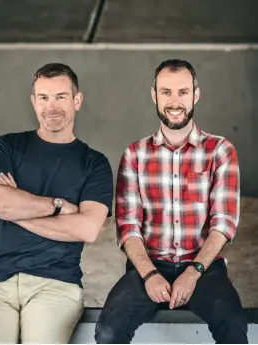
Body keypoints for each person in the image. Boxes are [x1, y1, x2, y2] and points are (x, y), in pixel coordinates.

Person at [95, 59, 248, 344]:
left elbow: (224, 223)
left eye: (182, 92)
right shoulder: (135, 154)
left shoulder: (220, 150)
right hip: (148, 268)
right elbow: (128, 226)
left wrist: (194, 272)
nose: (174, 101)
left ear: (195, 95)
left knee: (233, 325)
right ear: (154, 95)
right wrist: (149, 273)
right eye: (166, 92)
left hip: (203, 268)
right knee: (107, 331)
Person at [0, 63, 113, 344]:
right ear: (33, 102)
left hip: (55, 284)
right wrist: (60, 206)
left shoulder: (94, 163)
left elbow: (87, 228)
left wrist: (14, 210)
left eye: (61, 97)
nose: (52, 106)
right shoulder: (8, 146)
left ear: (77, 100)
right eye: (44, 98)